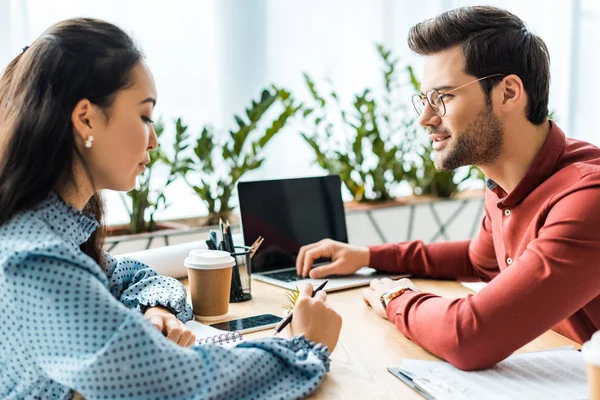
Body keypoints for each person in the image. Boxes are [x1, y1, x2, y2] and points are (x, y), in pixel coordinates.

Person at [0, 18, 342, 399]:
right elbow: (174, 383)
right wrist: (307, 347)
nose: (155, 140)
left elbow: (133, 276)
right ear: (86, 118)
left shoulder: (55, 234)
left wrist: (155, 309)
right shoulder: (35, 260)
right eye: (145, 116)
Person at [296, 6, 600, 371]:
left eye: (443, 97)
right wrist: (367, 256)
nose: (424, 118)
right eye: (424, 99)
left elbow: (470, 336)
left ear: (508, 93)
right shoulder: (507, 183)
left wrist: (396, 296)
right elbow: (478, 261)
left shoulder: (588, 195)